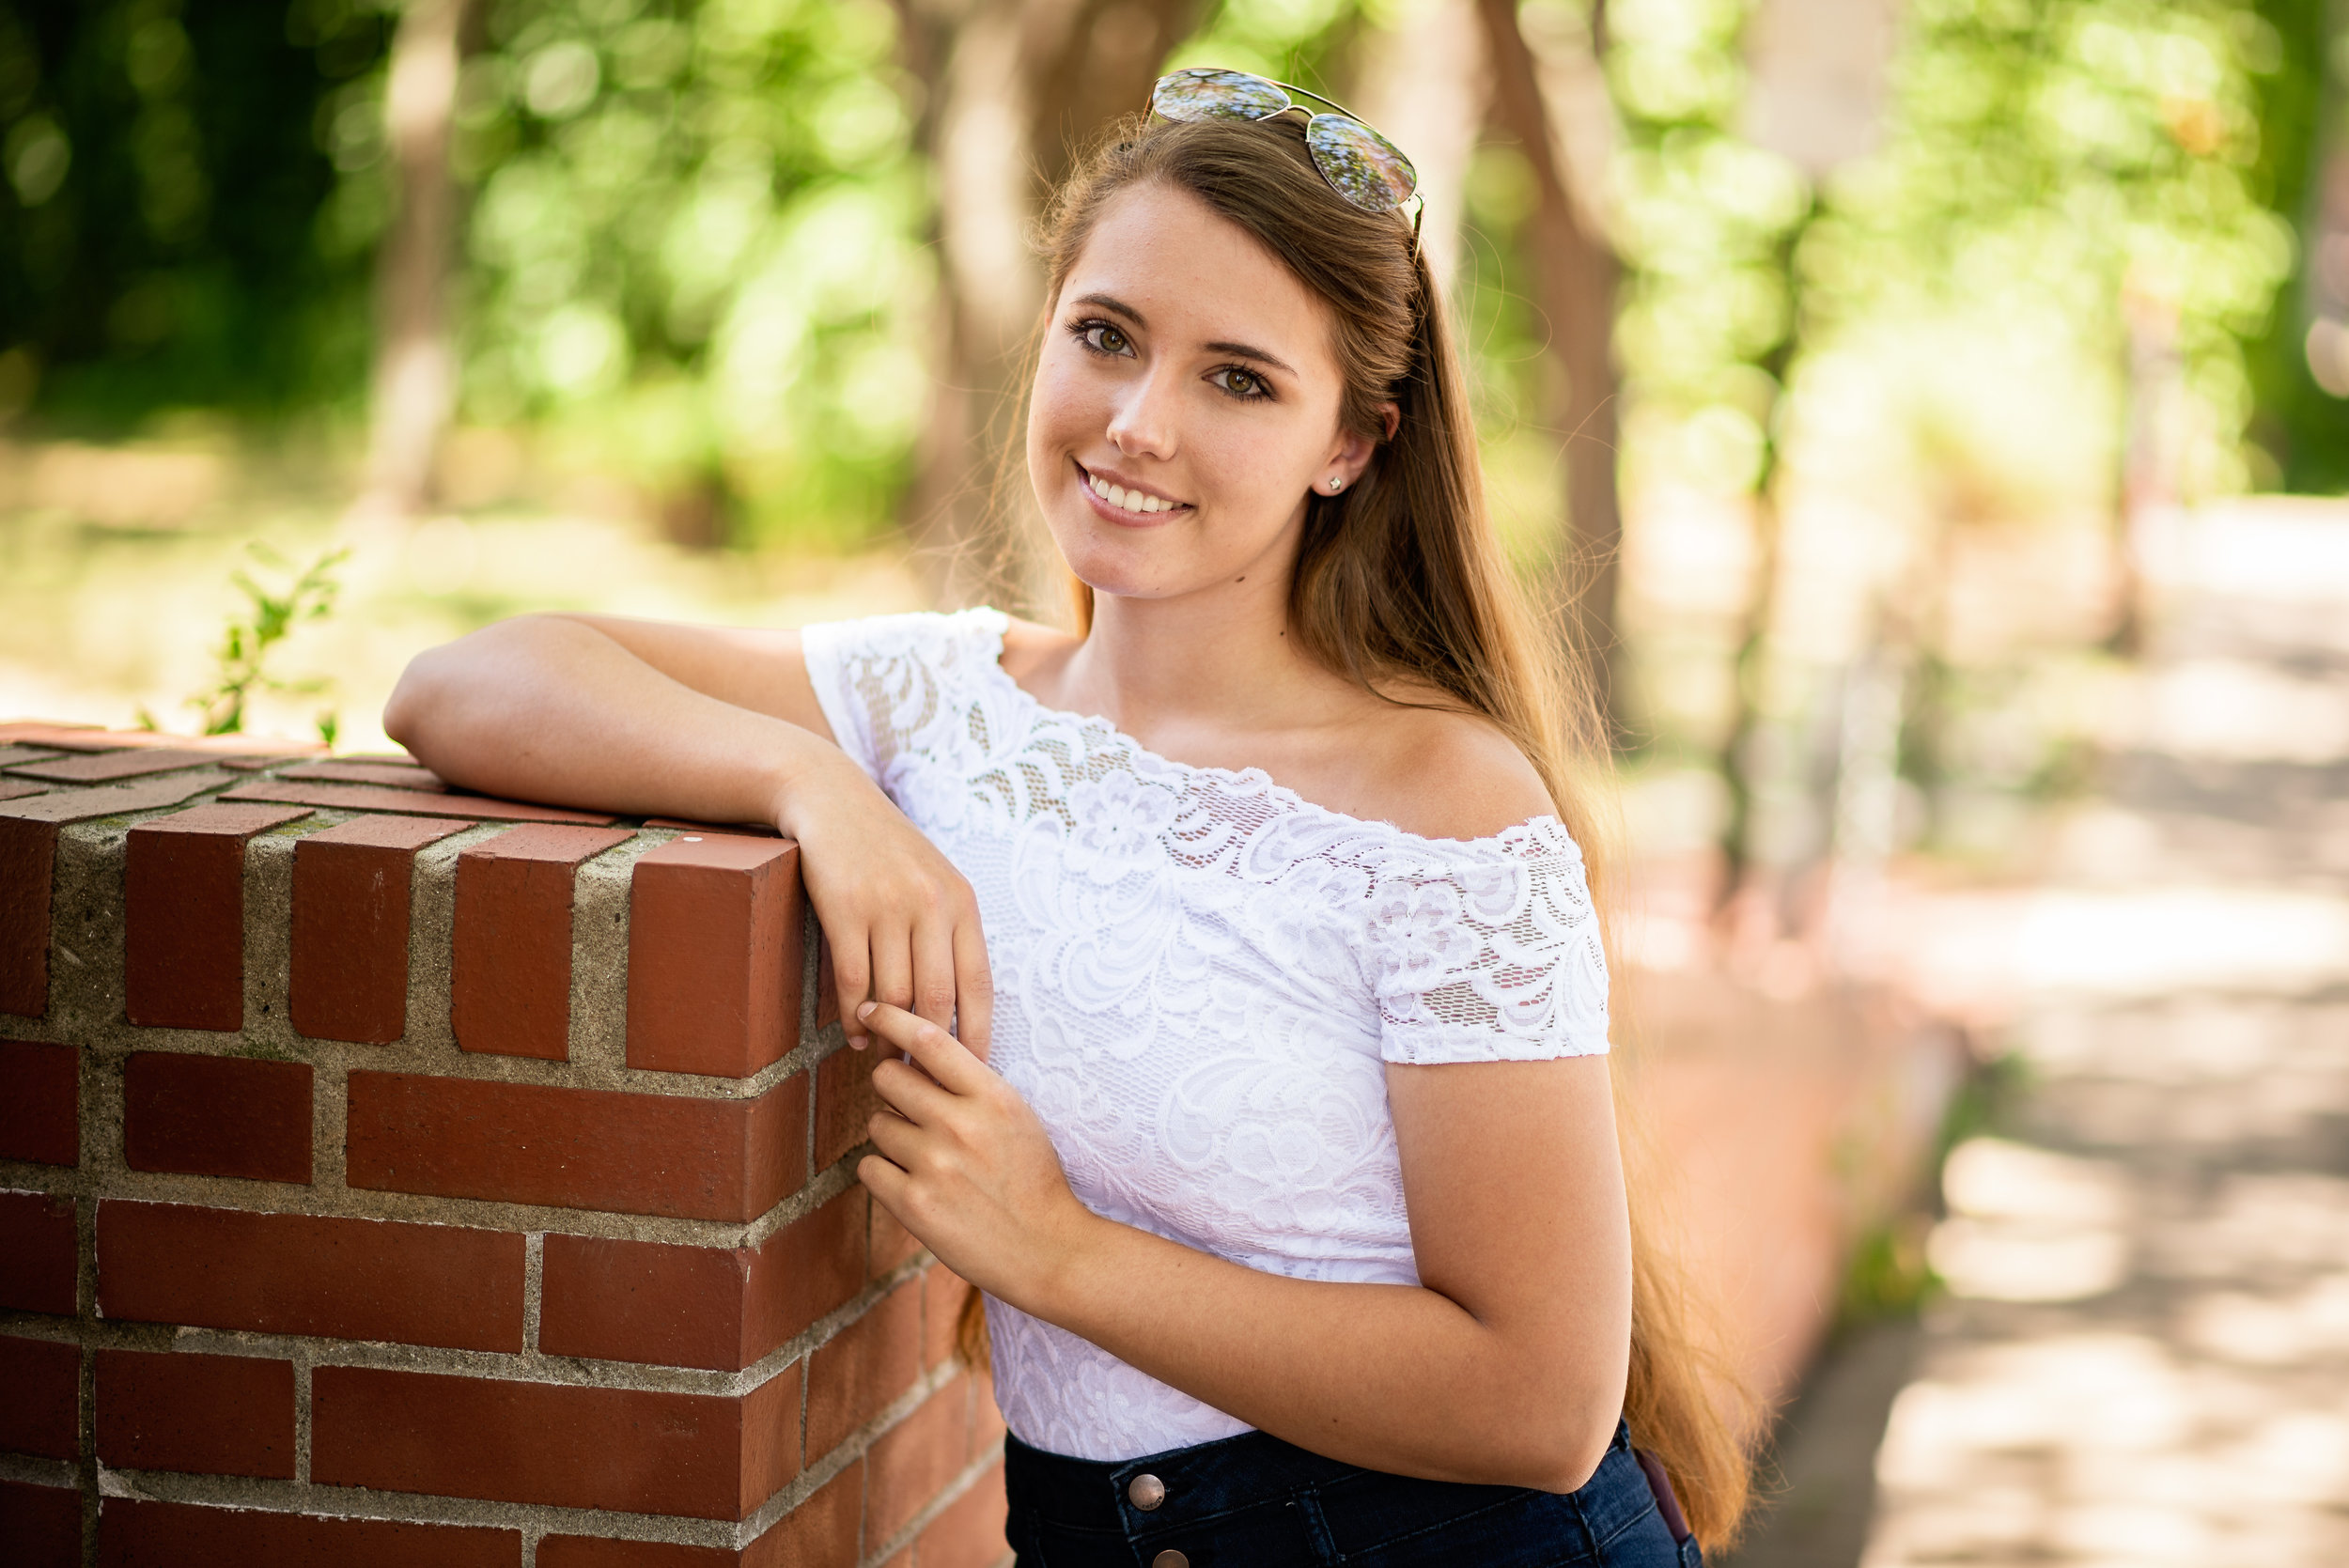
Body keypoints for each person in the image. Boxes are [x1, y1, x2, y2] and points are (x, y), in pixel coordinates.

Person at [386, 70, 1750, 1566]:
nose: (1138, 423)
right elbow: (470, 677)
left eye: (1239, 378)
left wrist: (1060, 1253)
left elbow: (1543, 1401)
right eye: (1106, 336)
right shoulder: (944, 706)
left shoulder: (1443, 806)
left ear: (1350, 444)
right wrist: (814, 785)